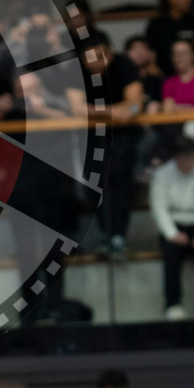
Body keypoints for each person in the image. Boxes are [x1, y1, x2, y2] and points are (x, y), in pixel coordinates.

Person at [67, 31, 143, 256]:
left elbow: (135, 105)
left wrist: (123, 111)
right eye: (88, 59)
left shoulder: (124, 65)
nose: (95, 64)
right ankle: (105, 234)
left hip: (123, 135)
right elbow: (77, 108)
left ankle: (118, 236)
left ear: (108, 54)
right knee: (94, 185)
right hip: (92, 135)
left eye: (100, 57)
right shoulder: (75, 69)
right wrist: (113, 111)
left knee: (119, 182)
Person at [150, 136, 194, 319]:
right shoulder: (162, 174)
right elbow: (159, 208)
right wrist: (172, 233)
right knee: (171, 252)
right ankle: (173, 304)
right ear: (175, 157)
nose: (185, 162)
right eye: (181, 158)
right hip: (174, 223)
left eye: (189, 157)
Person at [146, 0, 194, 78]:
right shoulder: (156, 25)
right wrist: (153, 67)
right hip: (165, 78)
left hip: (193, 78)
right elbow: (150, 53)